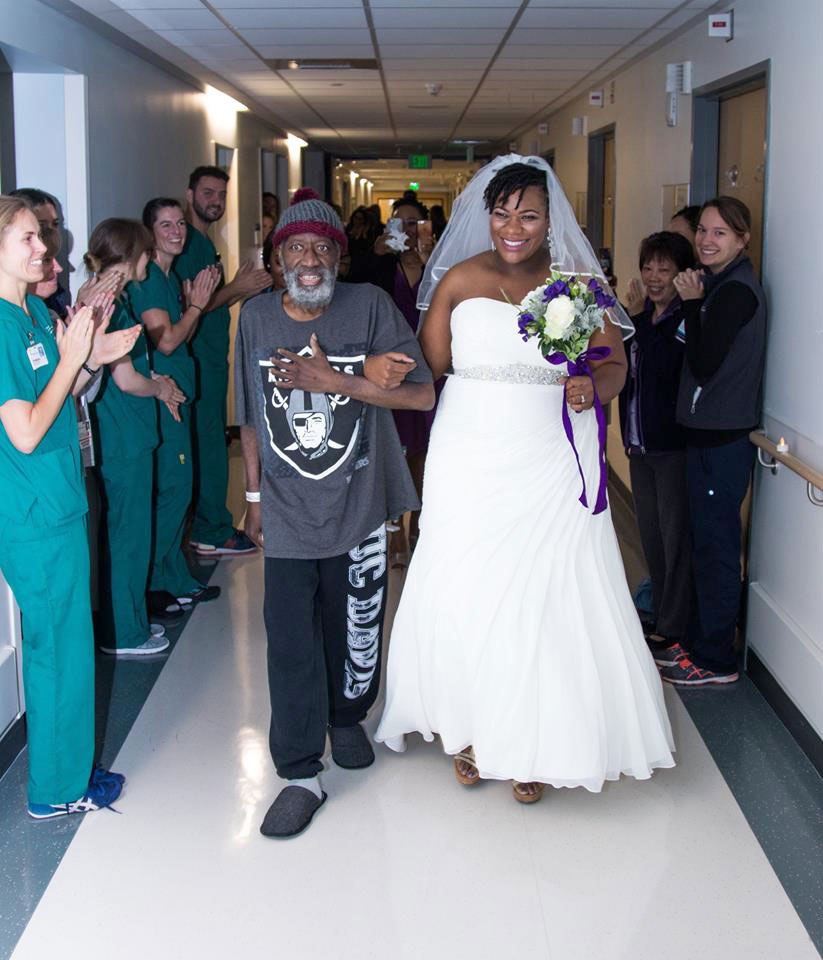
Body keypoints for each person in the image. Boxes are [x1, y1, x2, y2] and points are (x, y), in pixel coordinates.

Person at [375, 157, 675, 803]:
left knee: (544, 591)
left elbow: (615, 365)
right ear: (486, 216)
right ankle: (472, 729)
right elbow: (426, 372)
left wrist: (590, 384)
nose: (514, 227)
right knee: (473, 583)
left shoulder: (574, 284)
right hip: (469, 451)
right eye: (502, 213)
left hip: (549, 451)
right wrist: (369, 371)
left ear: (549, 218)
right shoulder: (457, 279)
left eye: (528, 215)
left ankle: (536, 737)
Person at [234, 188, 434, 838]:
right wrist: (256, 497)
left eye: (323, 246)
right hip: (289, 508)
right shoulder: (257, 318)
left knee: (354, 624)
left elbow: (422, 395)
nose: (311, 258)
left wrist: (345, 381)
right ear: (279, 256)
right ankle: (298, 771)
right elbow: (253, 418)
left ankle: (346, 717)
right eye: (297, 247)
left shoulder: (369, 307)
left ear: (339, 255)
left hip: (358, 501)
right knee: (290, 640)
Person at [0, 195, 137, 817]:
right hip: (31, 511)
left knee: (69, 644)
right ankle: (56, 789)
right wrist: (74, 361)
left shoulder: (29, 312)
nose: (43, 250)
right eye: (28, 238)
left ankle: (70, 768)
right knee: (57, 650)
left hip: (57, 499)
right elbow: (25, 429)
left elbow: (62, 392)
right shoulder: (0, 326)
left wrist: (91, 361)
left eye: (42, 237)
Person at [659, 197, 766, 686]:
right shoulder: (719, 284)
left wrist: (692, 303)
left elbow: (703, 362)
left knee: (717, 548)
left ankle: (716, 660)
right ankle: (700, 641)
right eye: (703, 230)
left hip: (722, 440)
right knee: (704, 543)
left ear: (742, 240)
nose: (706, 239)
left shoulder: (734, 293)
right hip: (706, 433)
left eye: (720, 233)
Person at [87, 219, 187, 656]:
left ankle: (129, 623)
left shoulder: (113, 297)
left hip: (129, 432)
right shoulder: (110, 303)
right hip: (122, 434)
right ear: (131, 257)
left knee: (128, 532)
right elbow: (125, 380)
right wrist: (159, 386)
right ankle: (124, 634)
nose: (151, 258)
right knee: (128, 535)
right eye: (146, 252)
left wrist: (155, 379)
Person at [130, 198, 221, 617]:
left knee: (179, 492)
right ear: (150, 232)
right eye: (165, 224)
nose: (176, 231)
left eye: (180, 223)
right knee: (173, 492)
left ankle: (174, 577)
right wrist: (198, 307)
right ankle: (157, 582)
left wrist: (191, 307)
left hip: (178, 396)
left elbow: (178, 334)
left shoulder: (169, 277)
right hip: (164, 403)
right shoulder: (148, 278)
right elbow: (166, 341)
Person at [174, 166, 269, 557]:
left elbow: (208, 302)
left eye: (220, 195)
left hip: (211, 359)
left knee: (210, 440)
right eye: (208, 192)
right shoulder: (189, 245)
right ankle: (211, 529)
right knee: (209, 443)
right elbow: (191, 305)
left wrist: (236, 291)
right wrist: (237, 288)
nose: (215, 201)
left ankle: (211, 524)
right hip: (195, 359)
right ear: (190, 194)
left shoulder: (204, 242)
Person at [349, 196, 437, 565]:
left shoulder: (439, 265)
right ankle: (394, 533)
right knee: (392, 449)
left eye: (414, 222)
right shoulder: (379, 266)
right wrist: (375, 253)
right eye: (399, 223)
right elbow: (353, 292)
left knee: (427, 453)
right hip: (391, 372)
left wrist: (430, 258)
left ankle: (419, 527)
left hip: (432, 369)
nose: (407, 230)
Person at [620, 231, 695, 655]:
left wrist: (637, 322)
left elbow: (667, 368)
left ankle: (673, 623)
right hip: (639, 445)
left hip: (670, 448)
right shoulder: (645, 313)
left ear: (681, 274)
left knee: (674, 539)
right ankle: (661, 608)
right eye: (648, 266)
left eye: (664, 269)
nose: (653, 276)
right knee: (651, 537)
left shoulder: (683, 317)